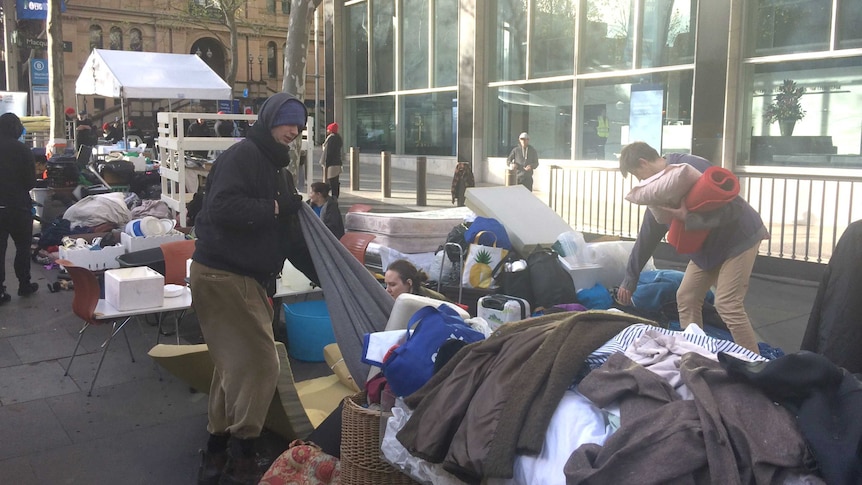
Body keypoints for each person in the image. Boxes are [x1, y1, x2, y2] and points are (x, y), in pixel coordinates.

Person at [189, 92, 308, 485]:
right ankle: (243, 452)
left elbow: (290, 236)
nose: (295, 130)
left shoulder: (278, 169)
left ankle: (216, 453)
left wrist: (328, 274)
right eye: (289, 121)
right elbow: (220, 208)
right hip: (225, 275)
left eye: (300, 125)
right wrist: (275, 207)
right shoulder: (243, 156)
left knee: (233, 368)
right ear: (269, 119)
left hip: (243, 278)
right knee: (261, 363)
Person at [616, 141, 768, 354]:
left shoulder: (690, 167)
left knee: (727, 304)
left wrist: (690, 217)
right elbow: (647, 237)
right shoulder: (657, 191)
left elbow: (734, 207)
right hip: (707, 248)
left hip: (738, 238)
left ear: (643, 163)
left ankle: (755, 365)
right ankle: (696, 355)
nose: (640, 182)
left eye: (637, 175)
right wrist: (630, 279)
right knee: (686, 296)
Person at [0, 113, 39, 304]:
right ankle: (24, 284)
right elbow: (30, 182)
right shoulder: (23, 150)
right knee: (22, 247)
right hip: (18, 207)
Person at [384, 259, 448, 301]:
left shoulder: (424, 302)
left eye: (392, 285)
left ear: (409, 283)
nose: (387, 290)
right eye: (386, 285)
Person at [320, 122, 343, 198]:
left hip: (332, 163)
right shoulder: (338, 138)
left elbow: (329, 152)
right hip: (337, 162)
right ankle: (335, 196)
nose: (327, 131)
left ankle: (333, 196)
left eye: (328, 129)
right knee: (335, 180)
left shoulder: (331, 139)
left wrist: (326, 163)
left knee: (331, 181)